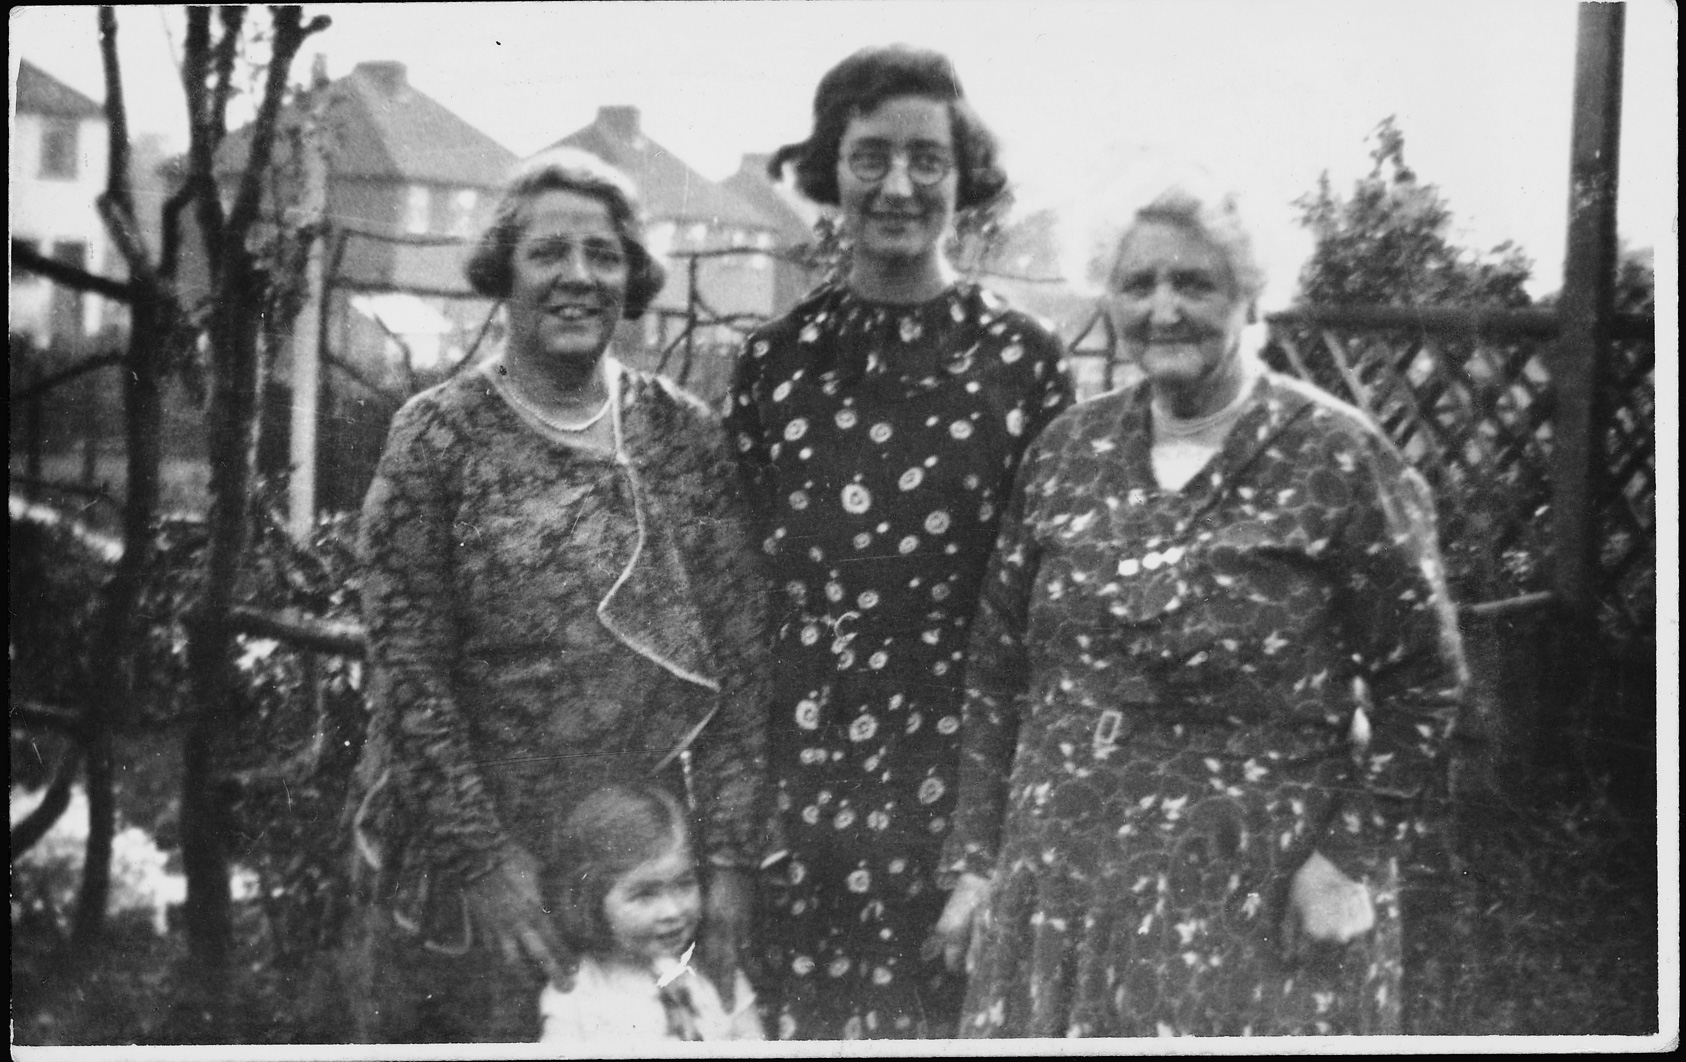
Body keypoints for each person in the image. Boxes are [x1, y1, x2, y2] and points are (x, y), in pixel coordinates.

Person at [932, 174, 1470, 1037]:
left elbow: (1425, 681)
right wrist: (976, 863)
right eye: (1138, 284)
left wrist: (1348, 862)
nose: (1163, 309)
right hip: (1059, 889)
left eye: (1195, 283)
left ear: (1251, 294)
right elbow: (997, 675)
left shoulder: (1336, 456)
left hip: (1251, 905)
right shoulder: (1066, 451)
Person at [343, 147, 768, 1042]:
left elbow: (740, 659)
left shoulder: (682, 435)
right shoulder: (435, 437)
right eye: (549, 254)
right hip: (475, 868)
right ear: (505, 271)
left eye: (604, 255)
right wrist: (484, 861)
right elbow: (407, 669)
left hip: (633, 869)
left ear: (632, 276)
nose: (578, 277)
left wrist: (727, 863)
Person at [726, 44, 1074, 1040]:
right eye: (870, 155)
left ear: (966, 181)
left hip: (964, 785)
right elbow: (747, 598)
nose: (898, 185)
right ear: (829, 172)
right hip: (812, 784)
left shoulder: (1023, 362)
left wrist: (1000, 833)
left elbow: (1052, 598)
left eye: (929, 159)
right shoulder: (774, 367)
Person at [537, 783, 766, 1042]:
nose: (673, 910)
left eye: (684, 884)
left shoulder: (717, 971)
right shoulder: (577, 995)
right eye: (645, 894)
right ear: (591, 900)